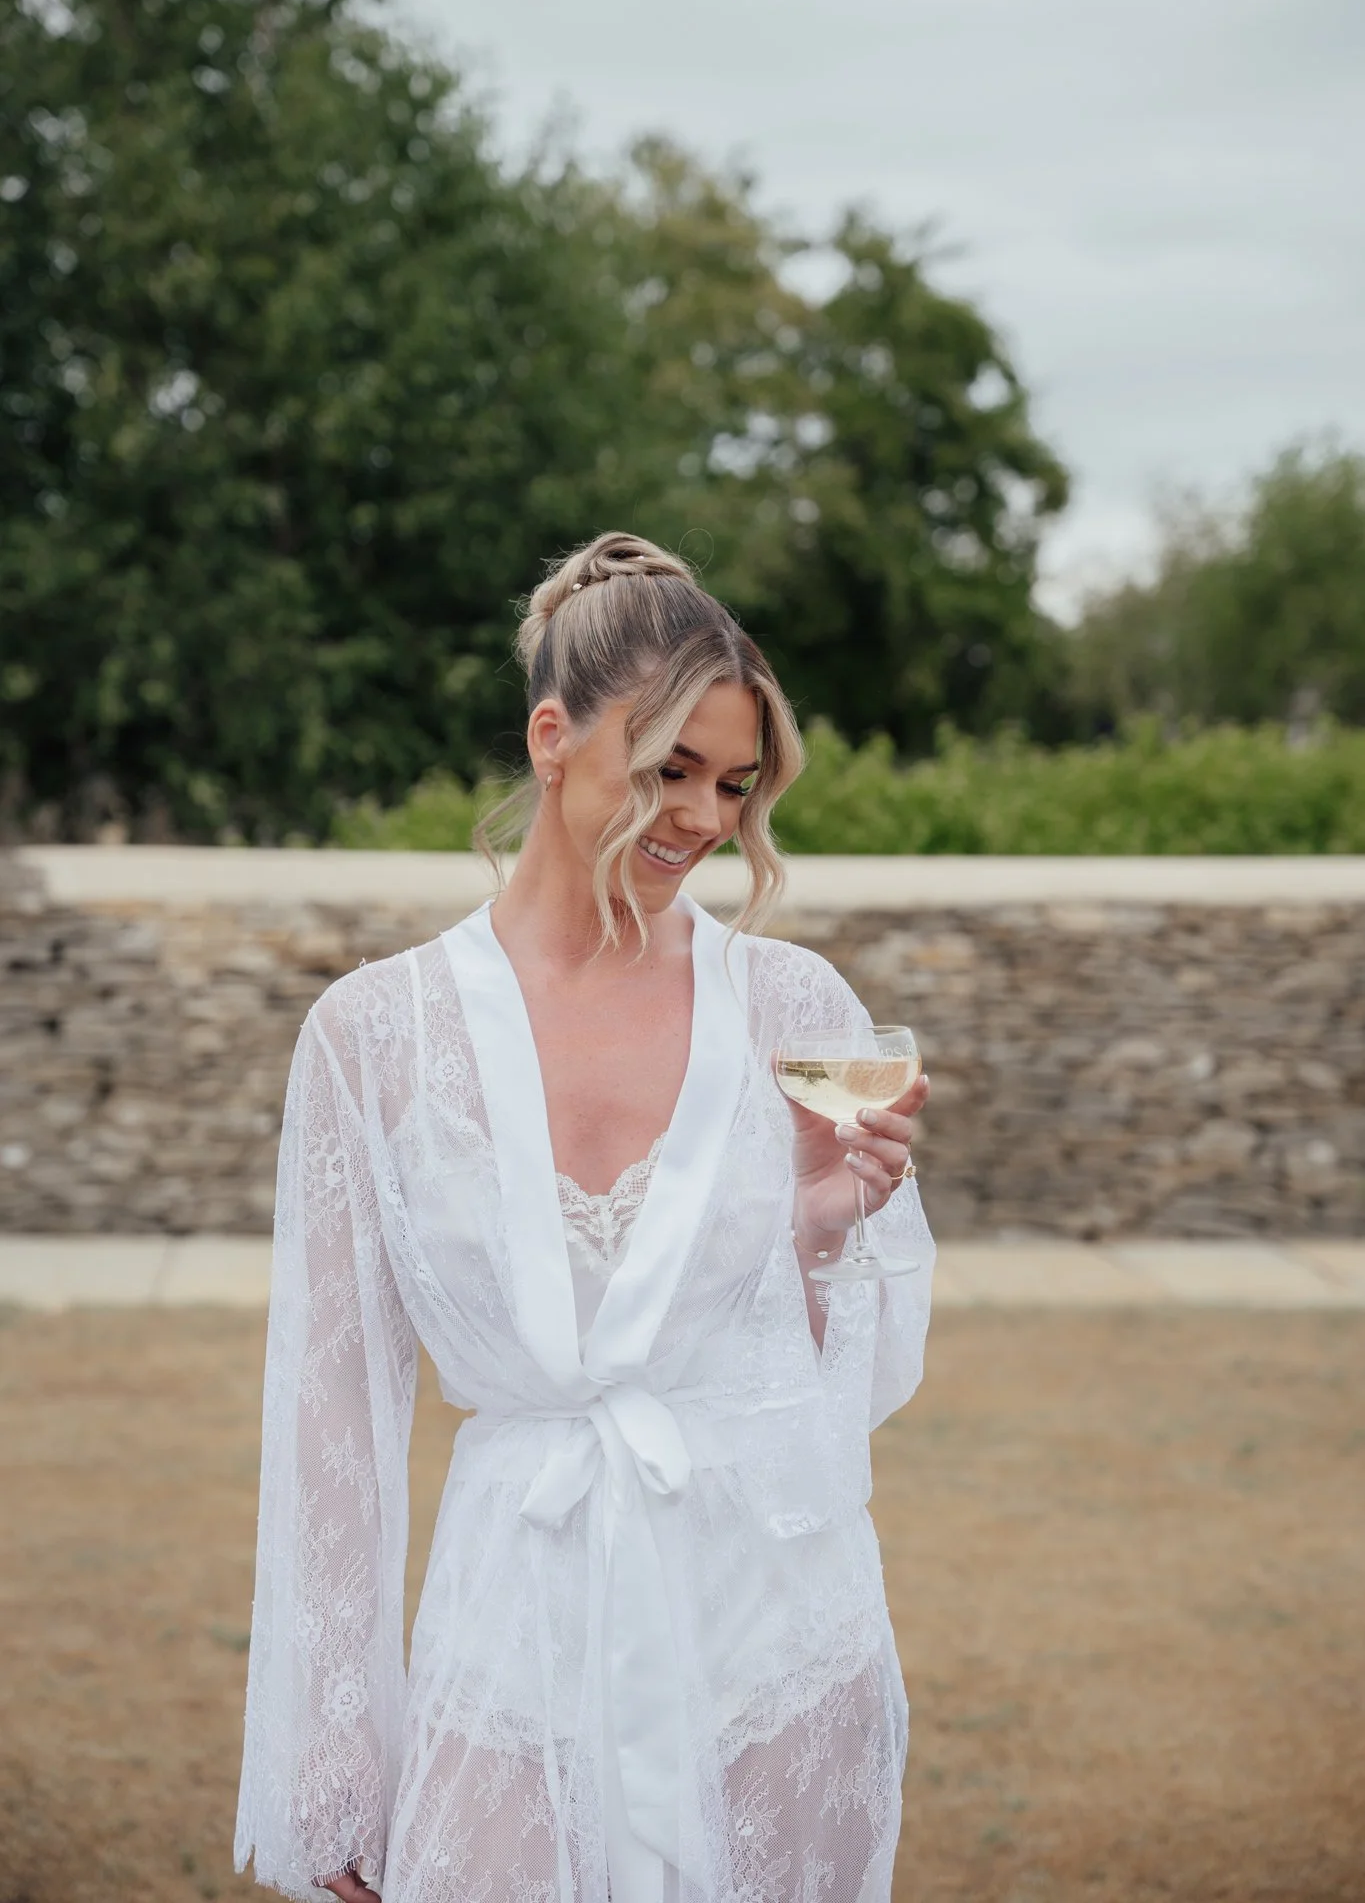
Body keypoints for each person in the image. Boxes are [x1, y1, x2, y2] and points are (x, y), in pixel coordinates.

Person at [235, 533, 935, 1903]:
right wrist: (335, 1750)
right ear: (552, 737)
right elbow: (332, 1424)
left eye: (736, 785)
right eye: (668, 769)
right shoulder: (374, 1038)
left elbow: (849, 1385)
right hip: (517, 1622)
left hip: (776, 1640)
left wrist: (823, 1224)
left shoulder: (797, 1009)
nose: (704, 819)